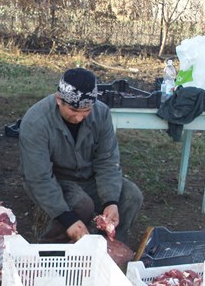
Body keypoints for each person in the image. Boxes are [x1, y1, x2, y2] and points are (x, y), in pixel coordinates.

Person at [18, 68, 143, 244]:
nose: (78, 118)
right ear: (59, 99)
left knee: (131, 196)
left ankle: (110, 249)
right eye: (73, 110)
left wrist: (111, 201)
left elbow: (107, 160)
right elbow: (38, 177)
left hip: (88, 177)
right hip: (55, 179)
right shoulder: (35, 121)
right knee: (81, 204)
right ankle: (50, 251)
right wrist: (68, 219)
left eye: (86, 110)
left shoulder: (102, 113)